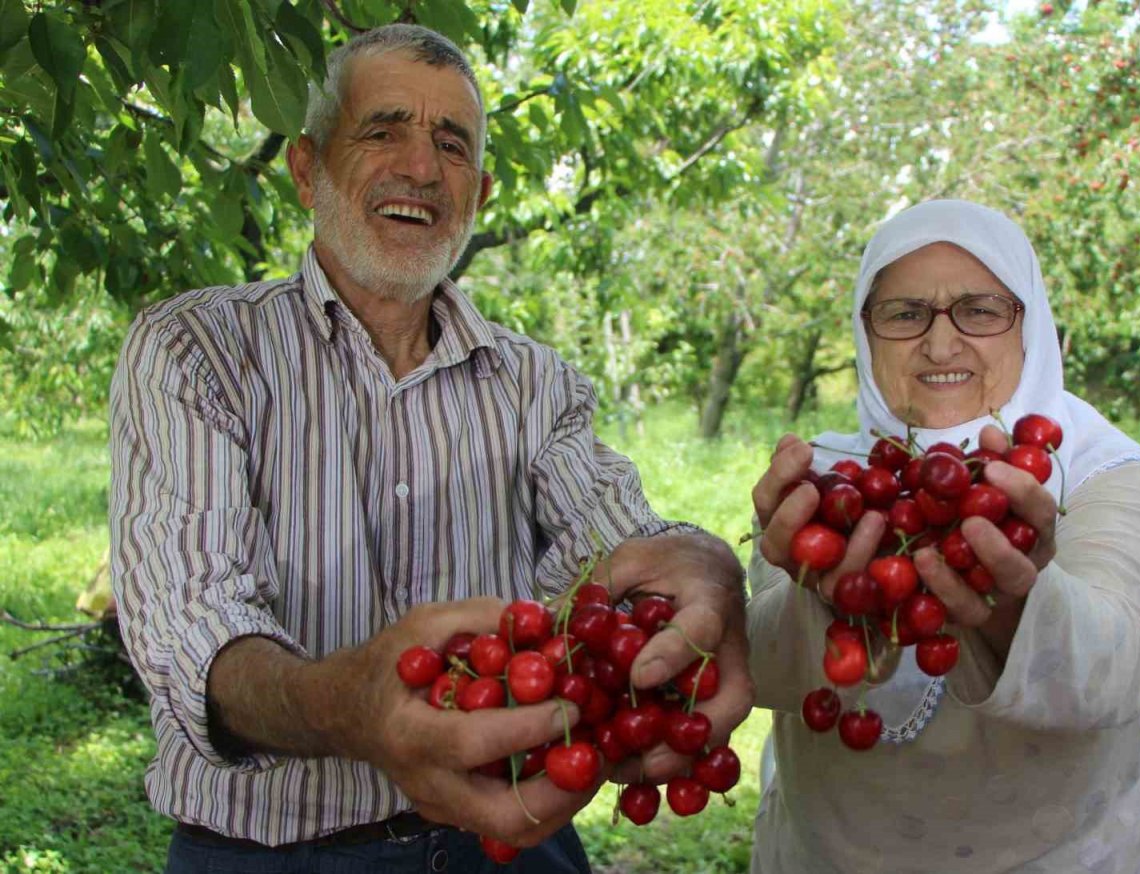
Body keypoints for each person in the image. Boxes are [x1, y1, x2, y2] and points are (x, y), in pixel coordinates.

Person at [108, 24, 751, 874]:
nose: (420, 167)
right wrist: (350, 705)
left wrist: (700, 561)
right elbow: (193, 625)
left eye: (451, 144)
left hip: (511, 839)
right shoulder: (195, 351)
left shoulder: (537, 383)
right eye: (382, 130)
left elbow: (611, 547)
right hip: (271, 854)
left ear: (479, 191)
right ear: (306, 169)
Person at [745, 199, 1140, 873]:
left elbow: (1120, 669)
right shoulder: (823, 481)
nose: (939, 344)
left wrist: (1019, 606)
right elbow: (766, 666)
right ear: (864, 331)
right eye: (904, 314)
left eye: (981, 309)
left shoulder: (1100, 473)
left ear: (1032, 325)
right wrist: (827, 599)